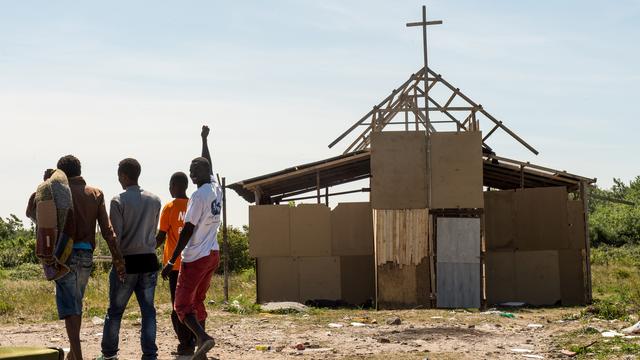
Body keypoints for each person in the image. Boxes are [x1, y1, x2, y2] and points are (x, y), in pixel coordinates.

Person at [53, 155, 126, 360]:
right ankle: (72, 355)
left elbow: (33, 210)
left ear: (61, 174)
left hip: (65, 255)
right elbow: (107, 230)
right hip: (86, 256)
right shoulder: (95, 193)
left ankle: (77, 356)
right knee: (76, 304)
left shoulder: (58, 192)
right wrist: (117, 258)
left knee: (70, 308)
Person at [161, 125, 222, 360]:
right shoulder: (215, 189)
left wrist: (171, 260)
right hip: (212, 254)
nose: (192, 174)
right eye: (190, 171)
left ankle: (203, 339)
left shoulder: (198, 197)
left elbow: (187, 230)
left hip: (195, 257)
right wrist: (205, 140)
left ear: (201, 174)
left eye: (194, 171)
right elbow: (208, 163)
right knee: (197, 301)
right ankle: (202, 350)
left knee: (182, 306)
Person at [99, 158, 162, 360]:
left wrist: (118, 263)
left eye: (119, 175)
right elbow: (153, 230)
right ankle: (149, 354)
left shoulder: (118, 200)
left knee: (115, 311)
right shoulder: (155, 200)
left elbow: (115, 235)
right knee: (148, 311)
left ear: (124, 176)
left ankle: (109, 354)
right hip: (149, 261)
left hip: (127, 262)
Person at [155, 171, 195, 356]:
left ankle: (185, 344)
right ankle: (194, 339)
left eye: (170, 185)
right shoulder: (194, 205)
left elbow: (161, 237)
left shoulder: (169, 207)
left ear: (176, 186)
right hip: (195, 263)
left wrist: (146, 248)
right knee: (192, 304)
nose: (169, 189)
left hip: (175, 266)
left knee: (177, 307)